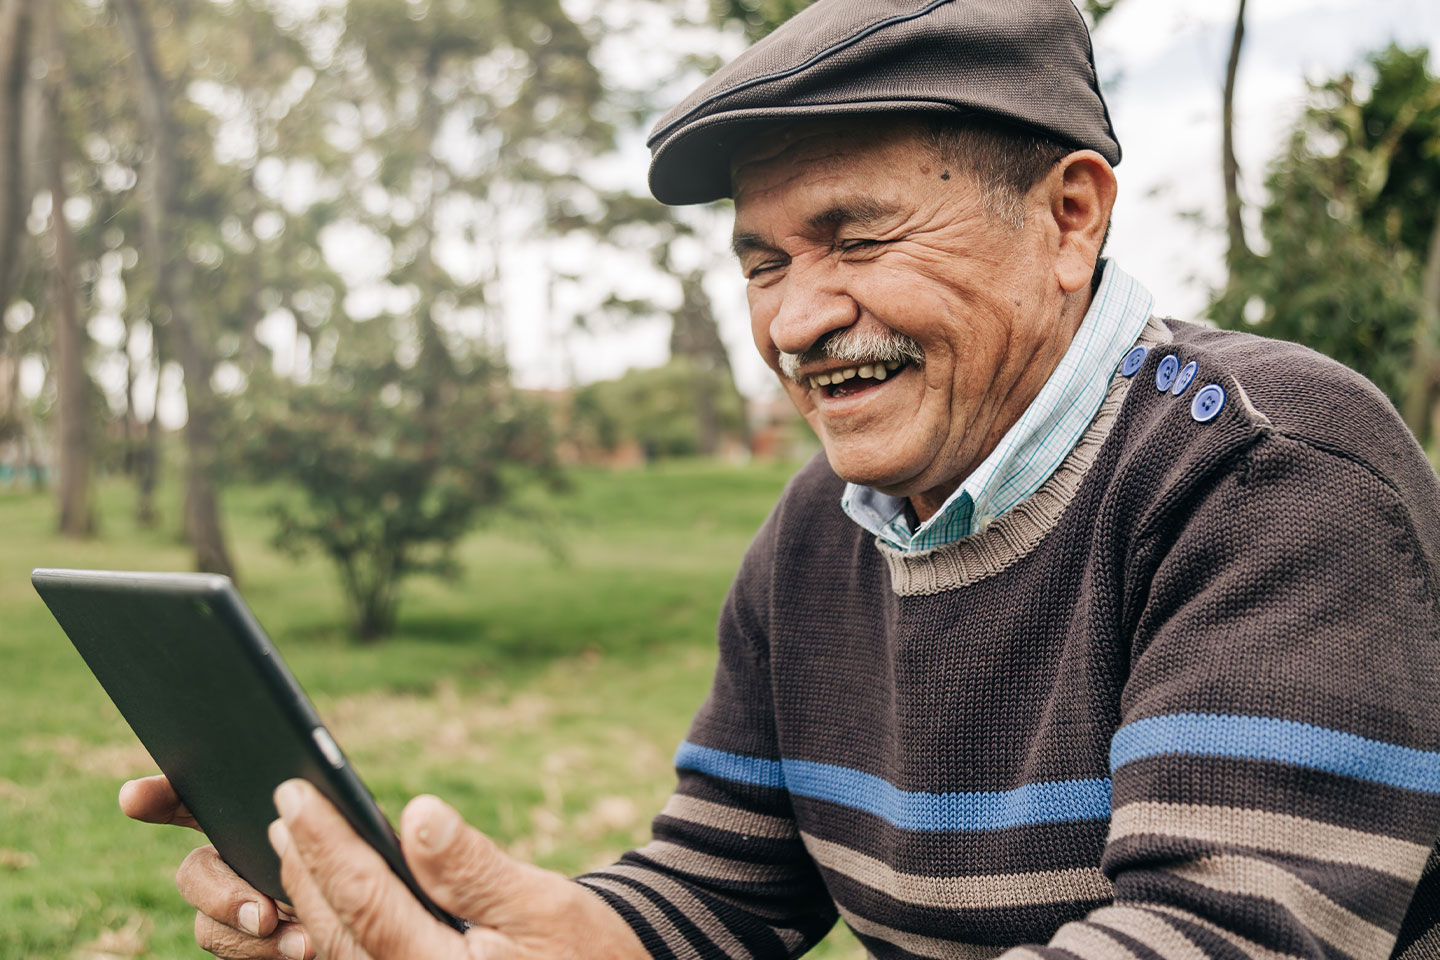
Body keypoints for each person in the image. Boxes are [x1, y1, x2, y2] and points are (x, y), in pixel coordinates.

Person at [121, 1, 1440, 958]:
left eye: (856, 237)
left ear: (1070, 218)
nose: (798, 319)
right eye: (764, 263)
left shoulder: (1268, 471)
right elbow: (724, 882)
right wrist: (484, 929)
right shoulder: (824, 526)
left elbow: (1223, 935)